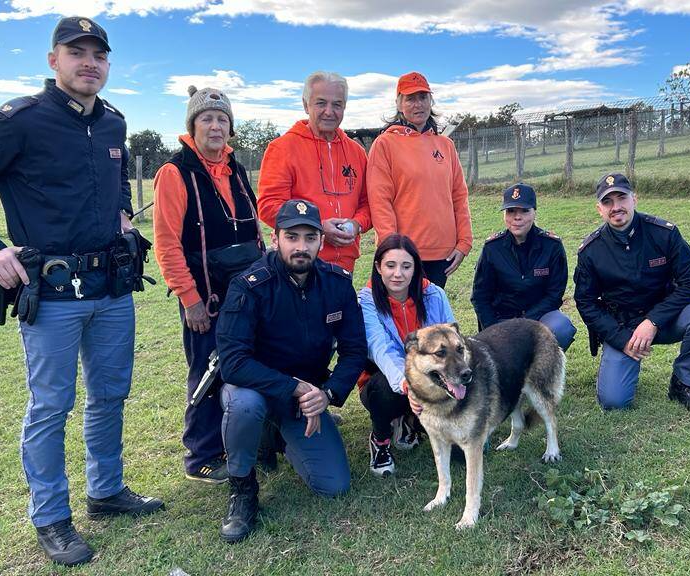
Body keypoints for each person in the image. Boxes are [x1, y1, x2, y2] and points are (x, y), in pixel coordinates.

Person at [0, 17, 163, 566]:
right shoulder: (21, 122)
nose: (89, 62)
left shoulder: (113, 122)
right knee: (51, 405)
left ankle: (105, 491)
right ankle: (52, 518)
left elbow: (108, 186)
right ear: (52, 60)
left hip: (111, 288)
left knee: (110, 395)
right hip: (53, 294)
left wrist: (124, 216)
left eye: (98, 54)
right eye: (76, 51)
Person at [214, 199, 366, 543]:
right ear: (275, 238)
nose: (301, 247)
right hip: (254, 388)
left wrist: (326, 395)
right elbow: (233, 362)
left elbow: (355, 351)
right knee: (246, 405)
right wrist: (293, 387)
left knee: (334, 485)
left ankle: (276, 435)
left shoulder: (337, 284)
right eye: (292, 237)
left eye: (309, 238)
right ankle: (243, 488)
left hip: (306, 397)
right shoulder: (249, 285)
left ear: (321, 242)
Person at [153, 86, 264, 485]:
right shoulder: (175, 172)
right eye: (207, 119)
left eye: (222, 119)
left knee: (253, 359)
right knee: (207, 369)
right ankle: (202, 454)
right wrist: (189, 298)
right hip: (206, 294)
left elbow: (252, 229)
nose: (215, 126)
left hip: (247, 286)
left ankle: (261, 436)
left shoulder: (234, 168)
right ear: (192, 125)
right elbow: (166, 243)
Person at [574, 172, 690, 412]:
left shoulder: (664, 233)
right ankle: (621, 365)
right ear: (599, 209)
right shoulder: (591, 250)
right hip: (623, 327)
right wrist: (621, 340)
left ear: (634, 199)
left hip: (665, 319)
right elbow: (586, 302)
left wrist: (653, 320)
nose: (615, 207)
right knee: (614, 402)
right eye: (607, 202)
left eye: (621, 198)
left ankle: (683, 383)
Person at [357, 234, 455, 477]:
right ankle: (381, 440)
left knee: (460, 456)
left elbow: (451, 342)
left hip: (432, 377)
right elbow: (380, 349)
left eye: (406, 266)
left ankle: (410, 422)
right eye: (390, 265)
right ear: (378, 267)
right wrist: (410, 384)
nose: (397, 273)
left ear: (415, 269)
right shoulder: (366, 301)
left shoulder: (434, 295)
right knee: (382, 390)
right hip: (386, 380)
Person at [366, 71, 473, 287]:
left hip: (441, 254)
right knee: (397, 318)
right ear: (399, 103)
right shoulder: (385, 144)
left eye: (423, 97)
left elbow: (458, 196)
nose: (418, 104)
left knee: (430, 319)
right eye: (410, 98)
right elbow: (380, 201)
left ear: (430, 101)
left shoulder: (445, 145)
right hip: (402, 256)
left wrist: (464, 242)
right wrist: (392, 248)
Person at [257, 71, 370, 272]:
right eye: (320, 103)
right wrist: (317, 226)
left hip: (345, 266)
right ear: (305, 104)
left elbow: (368, 203)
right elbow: (269, 206)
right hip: (300, 264)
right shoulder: (283, 148)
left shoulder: (357, 152)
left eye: (337, 104)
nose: (329, 111)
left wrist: (356, 224)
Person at [471, 183, 576, 351]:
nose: (517, 217)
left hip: (539, 318)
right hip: (501, 320)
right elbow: (480, 296)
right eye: (511, 211)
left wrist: (526, 322)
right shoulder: (492, 248)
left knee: (561, 327)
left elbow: (554, 294)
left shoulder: (552, 246)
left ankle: (544, 367)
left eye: (524, 211)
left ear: (534, 212)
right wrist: (492, 330)